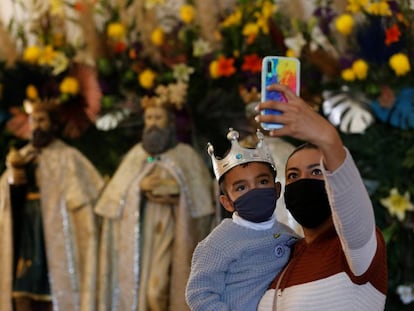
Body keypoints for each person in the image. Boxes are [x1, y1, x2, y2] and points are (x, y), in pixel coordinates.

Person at [255, 84, 388, 310]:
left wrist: (328, 139)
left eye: (317, 172)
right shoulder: (285, 256)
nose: (303, 181)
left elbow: (351, 202)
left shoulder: (359, 251)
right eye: (293, 175)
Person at [94, 94, 216, 311]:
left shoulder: (186, 155)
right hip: (142, 235)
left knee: (157, 291)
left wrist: (177, 191)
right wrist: (139, 188)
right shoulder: (135, 155)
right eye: (149, 118)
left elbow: (203, 204)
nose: (152, 123)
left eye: (158, 117)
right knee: (145, 292)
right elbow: (114, 202)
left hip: (173, 231)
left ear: (170, 123)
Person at [0, 99, 105, 311]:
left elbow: (86, 199)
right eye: (33, 121)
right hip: (27, 231)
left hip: (55, 235)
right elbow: (5, 200)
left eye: (41, 120)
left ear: (54, 125)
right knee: (22, 285)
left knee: (51, 288)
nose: (36, 126)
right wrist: (15, 181)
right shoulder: (22, 156)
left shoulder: (69, 158)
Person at [185, 128, 298, 310]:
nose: (254, 191)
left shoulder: (287, 235)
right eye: (241, 188)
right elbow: (199, 293)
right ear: (227, 202)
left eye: (262, 182)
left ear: (277, 189)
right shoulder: (217, 243)